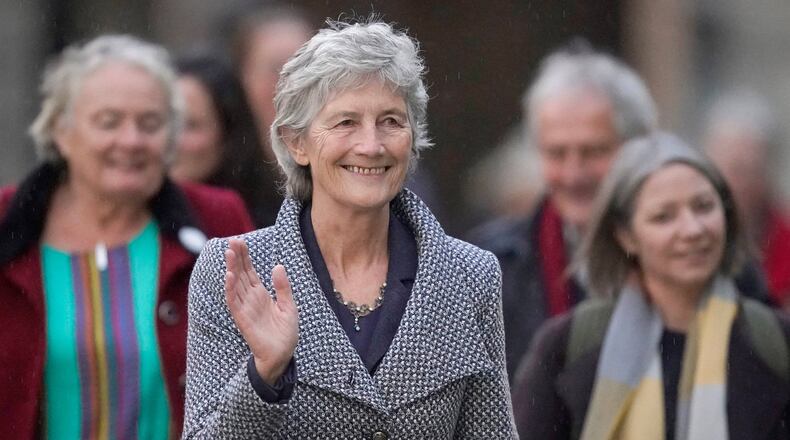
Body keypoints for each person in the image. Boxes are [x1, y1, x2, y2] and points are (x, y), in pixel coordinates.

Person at [182, 19, 517, 438]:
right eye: (345, 123)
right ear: (296, 142)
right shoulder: (233, 270)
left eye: (391, 121)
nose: (371, 145)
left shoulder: (471, 275)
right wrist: (263, 376)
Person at [0, 35, 254, 439]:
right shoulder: (7, 224)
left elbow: (260, 365)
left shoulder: (217, 221)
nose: (131, 140)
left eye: (150, 123)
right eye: (109, 122)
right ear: (61, 131)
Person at [513, 132, 790, 439]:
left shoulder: (774, 342)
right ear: (625, 236)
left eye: (703, 206)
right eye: (663, 217)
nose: (692, 229)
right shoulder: (568, 346)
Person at [469, 47, 658, 381]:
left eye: (593, 151)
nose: (573, 175)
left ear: (639, 149)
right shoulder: (485, 267)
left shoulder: (692, 254)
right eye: (557, 153)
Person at [172, 52, 282, 227]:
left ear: (229, 134)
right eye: (160, 122)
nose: (172, 140)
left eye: (191, 125)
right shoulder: (135, 221)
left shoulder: (279, 227)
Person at [703, 88, 790, 308]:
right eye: (731, 168)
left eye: (750, 170)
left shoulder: (784, 239)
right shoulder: (687, 236)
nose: (737, 184)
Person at [229, 3, 312, 159]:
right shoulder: (218, 164)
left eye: (304, 67)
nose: (292, 85)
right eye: (276, 69)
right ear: (243, 76)